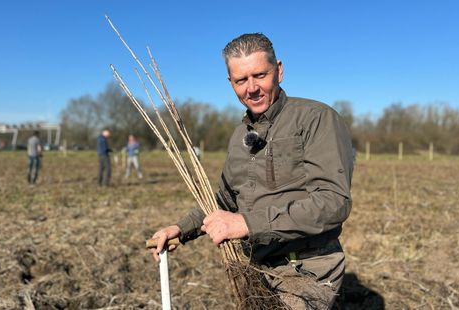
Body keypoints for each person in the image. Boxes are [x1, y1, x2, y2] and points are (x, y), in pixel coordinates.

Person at [150, 33, 354, 309]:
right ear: (230, 83)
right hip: (256, 268)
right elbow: (225, 200)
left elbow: (332, 202)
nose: (252, 88)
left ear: (279, 70)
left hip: (305, 268)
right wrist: (180, 229)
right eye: (241, 80)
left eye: (260, 75)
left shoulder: (316, 119)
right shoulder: (239, 135)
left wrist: (247, 224)